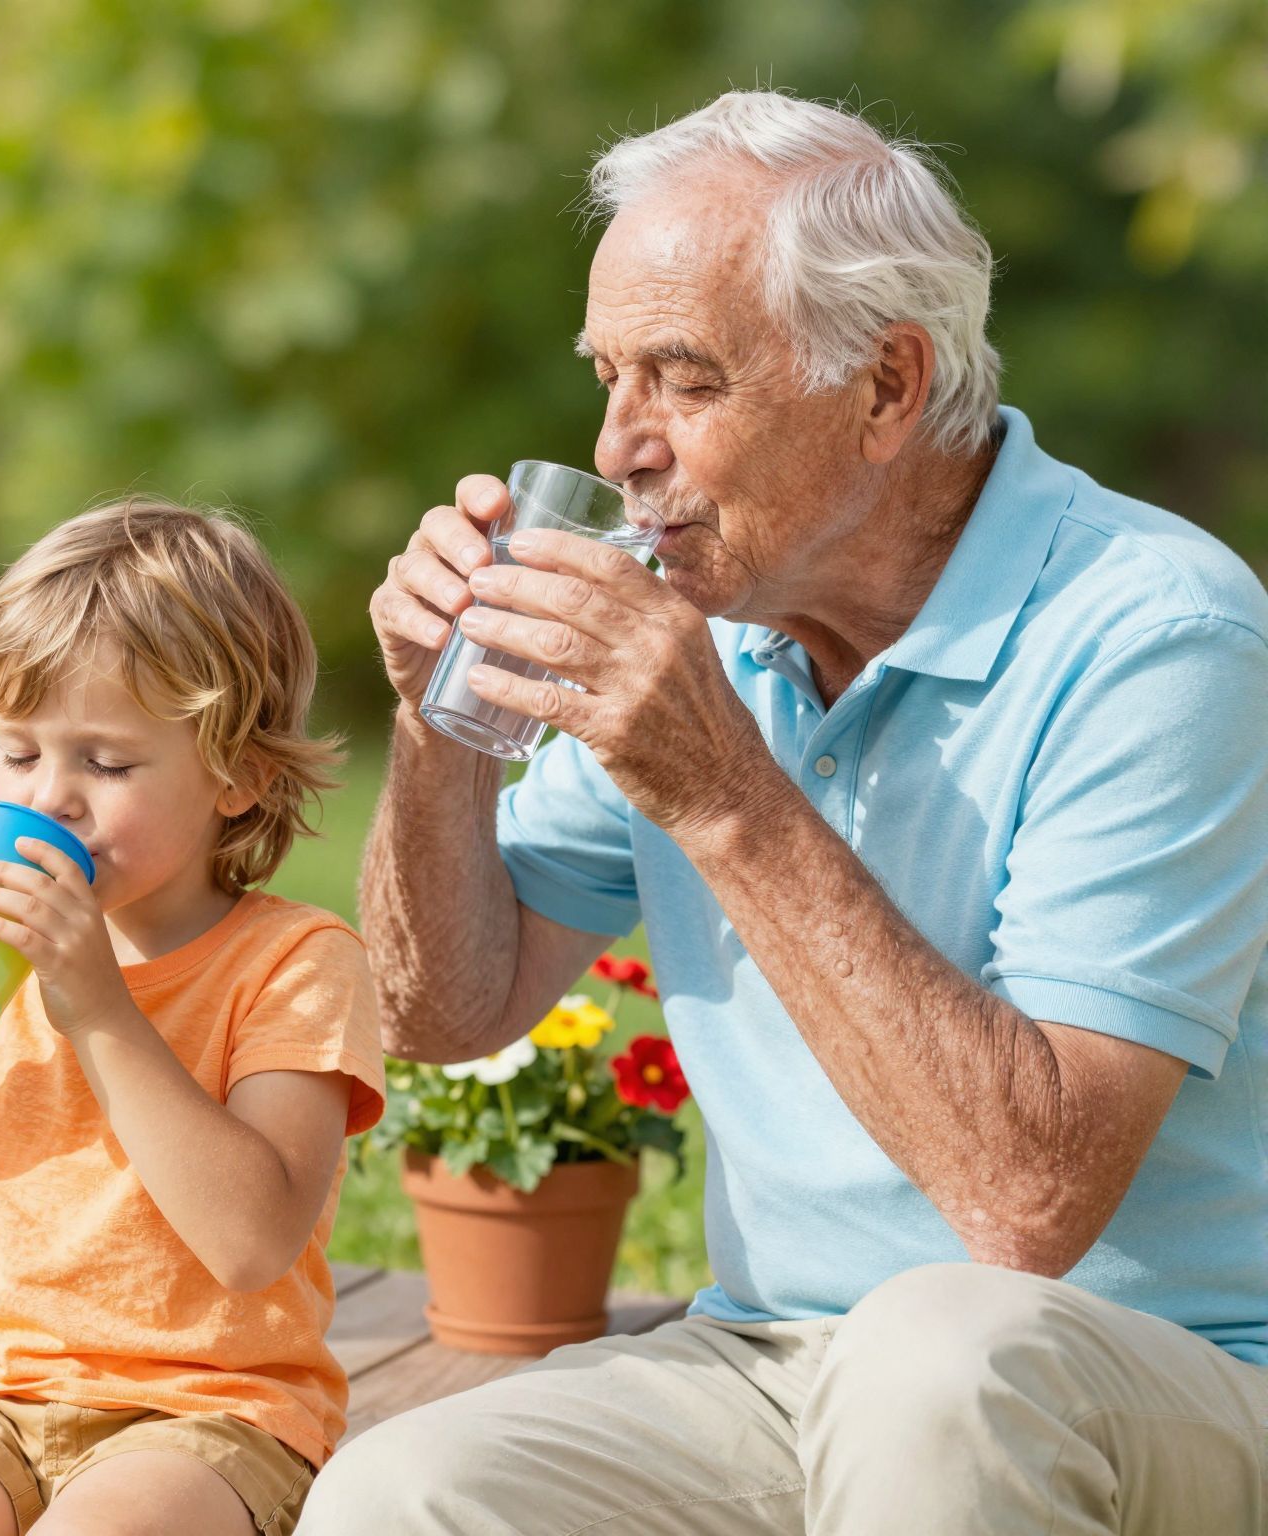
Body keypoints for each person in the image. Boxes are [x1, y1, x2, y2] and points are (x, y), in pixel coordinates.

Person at [303, 91, 1268, 1535]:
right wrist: (438, 722)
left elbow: (1026, 1208)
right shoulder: (724, 624)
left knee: (934, 1361)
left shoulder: (1158, 638)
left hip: (1158, 1378)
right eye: (609, 377)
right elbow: (444, 1006)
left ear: (885, 387)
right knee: (403, 1494)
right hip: (772, 1363)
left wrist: (721, 793)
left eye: (684, 380)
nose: (621, 444)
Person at [0, 499, 384, 1536]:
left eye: (106, 762)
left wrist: (97, 1006)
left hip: (209, 1416)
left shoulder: (293, 962)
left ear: (239, 777)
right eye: (19, 754)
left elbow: (251, 1242)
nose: (50, 799)